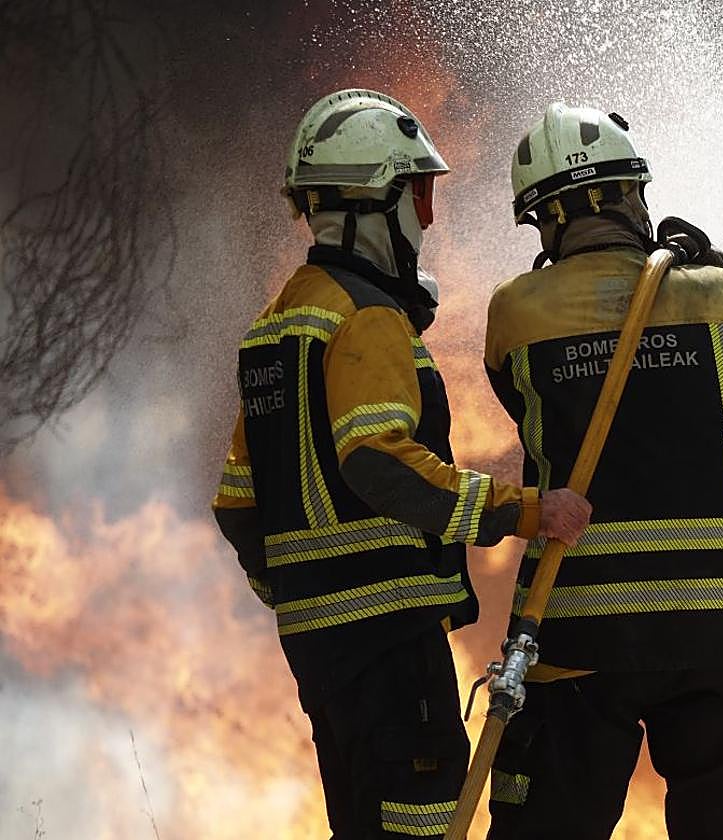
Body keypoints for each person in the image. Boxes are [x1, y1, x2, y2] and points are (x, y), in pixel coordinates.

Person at [482, 103, 723, 839]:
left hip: (581, 626)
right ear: (634, 196)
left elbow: (529, 412)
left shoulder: (515, 315)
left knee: (550, 824)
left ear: (544, 221)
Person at [211, 89, 590, 840]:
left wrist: (301, 593)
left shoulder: (278, 328)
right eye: (419, 192)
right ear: (374, 201)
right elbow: (378, 464)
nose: (430, 214)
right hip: (389, 642)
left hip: (321, 652)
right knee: (421, 822)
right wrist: (523, 512)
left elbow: (235, 503)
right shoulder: (365, 316)